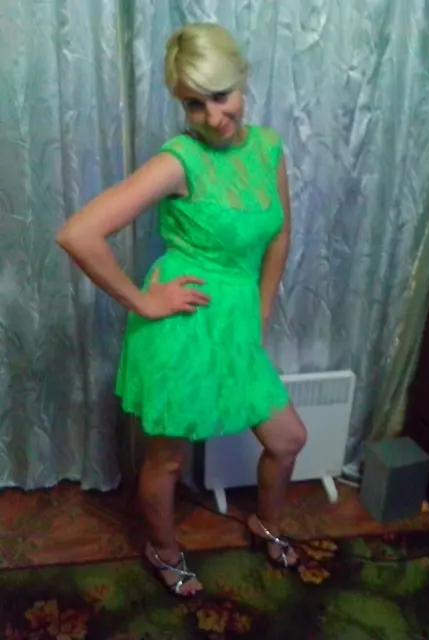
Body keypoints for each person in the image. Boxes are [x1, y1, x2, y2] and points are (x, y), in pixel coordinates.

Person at [56, 22, 307, 598]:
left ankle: (266, 524)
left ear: (242, 80)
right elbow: (78, 234)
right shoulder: (180, 160)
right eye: (194, 104)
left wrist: (261, 313)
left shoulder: (268, 148)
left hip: (236, 324)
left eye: (221, 96)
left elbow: (279, 236)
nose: (213, 117)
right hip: (184, 326)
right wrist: (144, 300)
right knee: (168, 460)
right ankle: (164, 550)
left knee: (288, 439)